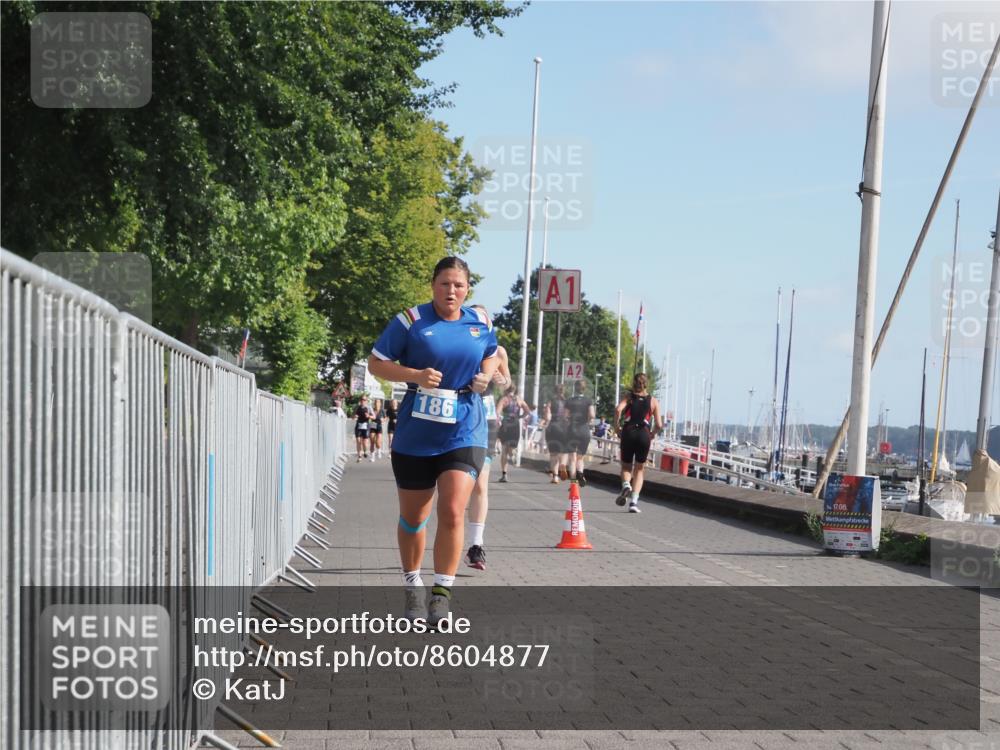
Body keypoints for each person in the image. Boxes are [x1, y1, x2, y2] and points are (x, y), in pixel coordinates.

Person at [368, 257, 499, 626]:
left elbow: (491, 356)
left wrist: (485, 377)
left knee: (454, 508)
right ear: (433, 286)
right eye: (444, 284)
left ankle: (442, 593)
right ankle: (413, 586)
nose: (451, 291)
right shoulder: (410, 321)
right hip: (418, 431)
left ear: (468, 288)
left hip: (465, 425)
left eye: (458, 285)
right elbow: (376, 363)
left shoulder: (481, 322)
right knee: (414, 517)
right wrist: (416, 375)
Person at [465, 305, 510, 571]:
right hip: (460, 415)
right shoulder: (462, 345)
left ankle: (476, 545)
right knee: (457, 488)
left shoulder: (499, 351)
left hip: (487, 419)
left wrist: (500, 377)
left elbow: (507, 382)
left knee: (481, 484)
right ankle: (450, 535)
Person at [613, 373, 663, 513]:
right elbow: (659, 424)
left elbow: (618, 410)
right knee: (639, 469)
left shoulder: (629, 397)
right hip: (643, 435)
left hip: (628, 432)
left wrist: (617, 428)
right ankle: (634, 502)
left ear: (634, 383)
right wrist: (652, 434)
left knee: (626, 466)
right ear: (646, 384)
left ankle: (626, 485)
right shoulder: (653, 401)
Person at [564, 379, 596, 486]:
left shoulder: (569, 401)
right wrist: (587, 419)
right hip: (584, 430)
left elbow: (565, 416)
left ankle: (573, 482)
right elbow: (592, 415)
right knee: (580, 457)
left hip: (572, 430)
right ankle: (581, 472)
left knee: (572, 458)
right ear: (584, 389)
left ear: (575, 388)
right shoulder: (588, 401)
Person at [496, 385, 529, 483]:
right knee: (511, 447)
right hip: (515, 424)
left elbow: (497, 412)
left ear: (506, 390)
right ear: (515, 390)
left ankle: (504, 474)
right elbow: (528, 411)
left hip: (506, 424)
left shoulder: (504, 399)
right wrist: (520, 416)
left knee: (504, 450)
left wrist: (500, 418)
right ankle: (512, 453)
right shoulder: (519, 400)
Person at [544, 384, 570, 483]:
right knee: (565, 452)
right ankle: (563, 464)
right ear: (564, 391)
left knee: (553, 454)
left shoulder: (551, 402)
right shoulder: (567, 402)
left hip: (553, 427)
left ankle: (555, 477)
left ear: (555, 391)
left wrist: (547, 422)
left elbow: (547, 417)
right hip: (564, 428)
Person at [353, 396, 372, 462]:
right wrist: (354, 416)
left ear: (366, 401)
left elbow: (374, 416)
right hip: (358, 426)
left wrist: (369, 416)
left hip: (366, 426)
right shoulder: (357, 407)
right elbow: (352, 416)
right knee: (358, 441)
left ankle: (365, 451)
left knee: (365, 443)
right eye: (361, 400)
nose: (362, 401)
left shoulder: (369, 407)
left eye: (364, 400)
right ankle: (359, 456)